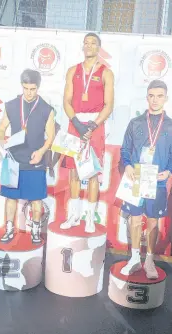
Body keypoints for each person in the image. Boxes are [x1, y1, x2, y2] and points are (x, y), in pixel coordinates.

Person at [120, 80, 172, 277]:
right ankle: (134, 258)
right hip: (137, 179)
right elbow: (125, 149)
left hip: (157, 181)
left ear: (166, 98)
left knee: (153, 222)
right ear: (147, 97)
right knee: (135, 220)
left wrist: (169, 171)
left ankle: (149, 261)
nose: (155, 100)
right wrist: (128, 164)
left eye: (160, 96)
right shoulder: (135, 123)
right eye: (152, 95)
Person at [60, 32, 114, 233]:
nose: (89, 46)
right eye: (86, 43)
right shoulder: (72, 71)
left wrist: (91, 126)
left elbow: (109, 106)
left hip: (95, 126)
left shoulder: (106, 72)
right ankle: (73, 216)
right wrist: (76, 123)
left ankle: (89, 218)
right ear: (82, 47)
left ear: (99, 47)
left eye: (93, 43)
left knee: (91, 174)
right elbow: (66, 101)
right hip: (75, 126)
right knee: (73, 172)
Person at [0, 69, 55, 245]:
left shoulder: (46, 109)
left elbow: (50, 136)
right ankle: (9, 229)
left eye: (33, 89)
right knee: (11, 198)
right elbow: (1, 129)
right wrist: (2, 141)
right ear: (22, 86)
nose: (29, 93)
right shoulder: (12, 105)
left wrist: (41, 152)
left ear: (38, 87)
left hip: (35, 161)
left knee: (36, 199)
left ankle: (35, 230)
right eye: (26, 88)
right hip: (14, 160)